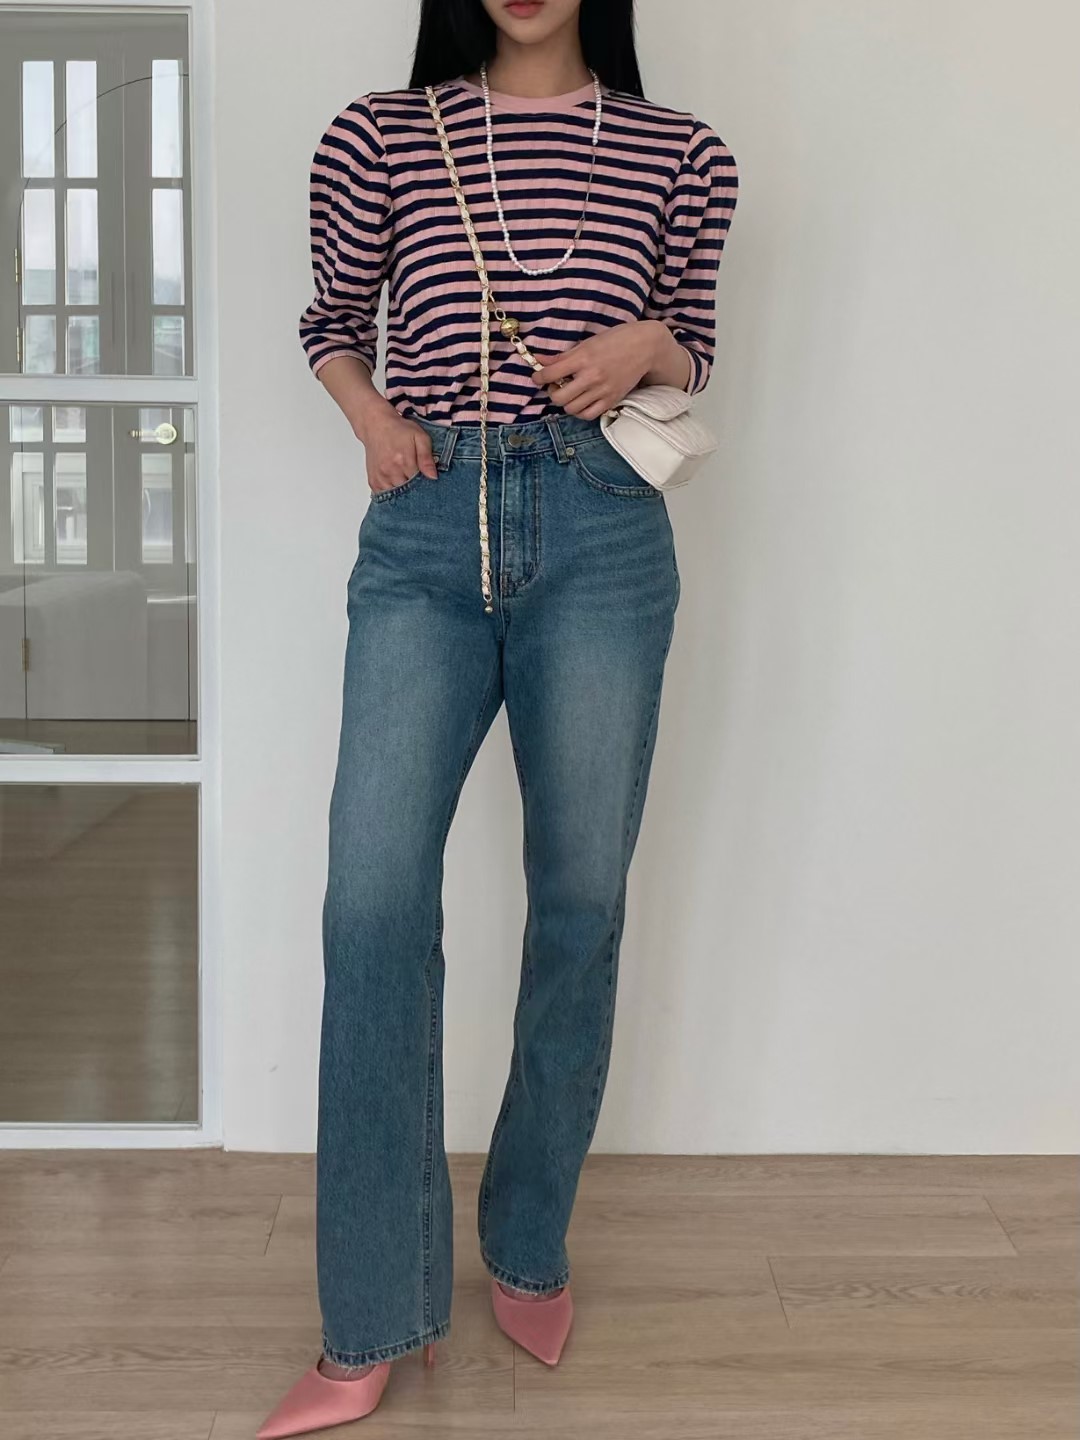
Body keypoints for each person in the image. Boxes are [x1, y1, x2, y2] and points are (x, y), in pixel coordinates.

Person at [257, 0, 737, 1434]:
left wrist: (643, 343)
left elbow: (696, 348)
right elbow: (334, 322)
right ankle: (368, 1318)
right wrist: (373, 422)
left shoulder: (682, 150)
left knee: (580, 898)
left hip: (602, 528)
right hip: (425, 522)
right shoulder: (381, 133)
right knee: (371, 905)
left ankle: (529, 1238)